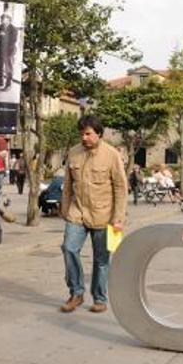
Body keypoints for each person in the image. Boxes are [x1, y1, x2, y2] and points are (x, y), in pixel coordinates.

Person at [59, 115, 127, 314]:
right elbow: (68, 187)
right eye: (81, 134)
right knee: (68, 248)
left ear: (99, 133)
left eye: (88, 134)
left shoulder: (112, 155)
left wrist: (118, 220)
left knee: (102, 260)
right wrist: (64, 209)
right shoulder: (73, 153)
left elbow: (121, 189)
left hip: (106, 217)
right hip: (77, 213)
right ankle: (76, 293)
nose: (84, 138)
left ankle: (99, 298)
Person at [0, 6, 18, 91]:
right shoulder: (1, 26)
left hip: (9, 50)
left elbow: (13, 41)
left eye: (3, 18)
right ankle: (0, 82)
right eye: (1, 18)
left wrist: (4, 35)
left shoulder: (14, 29)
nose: (2, 20)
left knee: (8, 68)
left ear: (9, 19)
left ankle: (8, 85)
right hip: (1, 49)